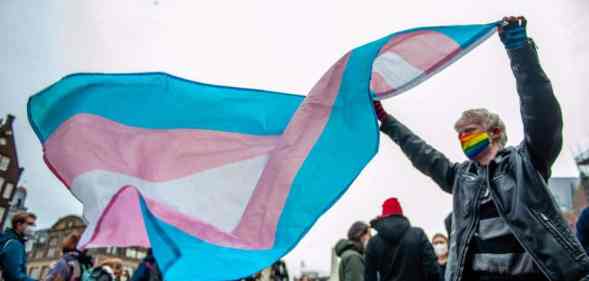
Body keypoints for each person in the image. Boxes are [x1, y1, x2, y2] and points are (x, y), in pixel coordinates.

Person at [373, 16, 589, 281]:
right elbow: (422, 154)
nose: (463, 138)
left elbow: (541, 111)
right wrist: (387, 121)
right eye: (460, 134)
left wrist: (520, 51)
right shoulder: (461, 178)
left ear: (495, 132)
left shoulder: (527, 163)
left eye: (470, 130)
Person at [364, 197, 440, 281]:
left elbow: (369, 276)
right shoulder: (418, 234)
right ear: (401, 214)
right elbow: (432, 269)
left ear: (383, 216)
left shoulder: (373, 242)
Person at [0, 212, 38, 281]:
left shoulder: (8, 239)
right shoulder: (14, 244)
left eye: (34, 225)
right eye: (30, 224)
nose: (32, 228)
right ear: (19, 225)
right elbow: (14, 275)